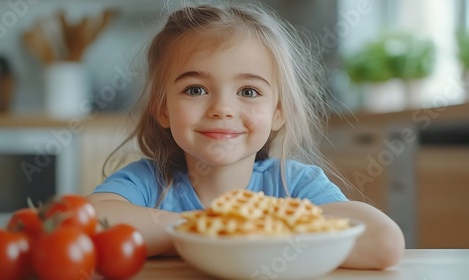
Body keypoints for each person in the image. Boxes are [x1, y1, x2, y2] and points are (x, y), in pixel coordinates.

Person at [86, 1, 404, 269]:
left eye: (248, 91)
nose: (222, 108)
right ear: (163, 109)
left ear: (279, 111)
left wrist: (237, 226)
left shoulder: (295, 184)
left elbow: (383, 242)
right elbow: (89, 222)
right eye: (195, 89)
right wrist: (215, 229)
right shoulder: (147, 182)